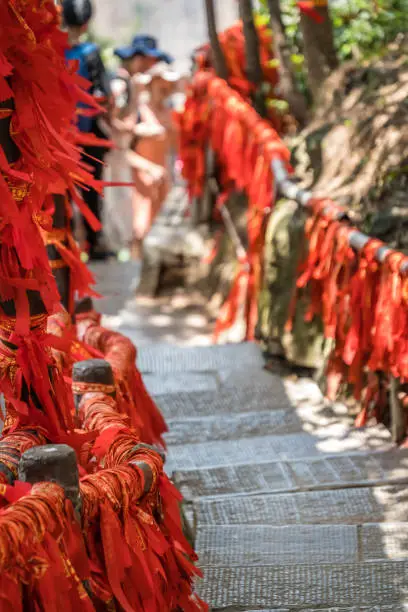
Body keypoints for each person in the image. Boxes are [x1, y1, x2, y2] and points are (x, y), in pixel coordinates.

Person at [103, 37, 175, 257]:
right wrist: (136, 131)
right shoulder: (120, 84)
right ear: (139, 59)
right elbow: (108, 120)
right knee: (128, 222)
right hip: (117, 158)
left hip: (122, 157)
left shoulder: (129, 83)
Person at [62, 0, 113, 261]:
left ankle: (66, 244)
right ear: (86, 23)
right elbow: (103, 93)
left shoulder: (52, 50)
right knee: (92, 189)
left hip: (58, 135)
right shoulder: (91, 51)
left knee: (63, 191)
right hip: (88, 134)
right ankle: (94, 243)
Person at [129, 62, 180, 255]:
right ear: (150, 86)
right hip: (140, 182)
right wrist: (148, 168)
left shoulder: (170, 114)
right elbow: (123, 151)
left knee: (159, 230)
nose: (165, 91)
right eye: (161, 86)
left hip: (163, 179)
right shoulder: (138, 112)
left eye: (168, 87)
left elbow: (176, 148)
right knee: (140, 228)